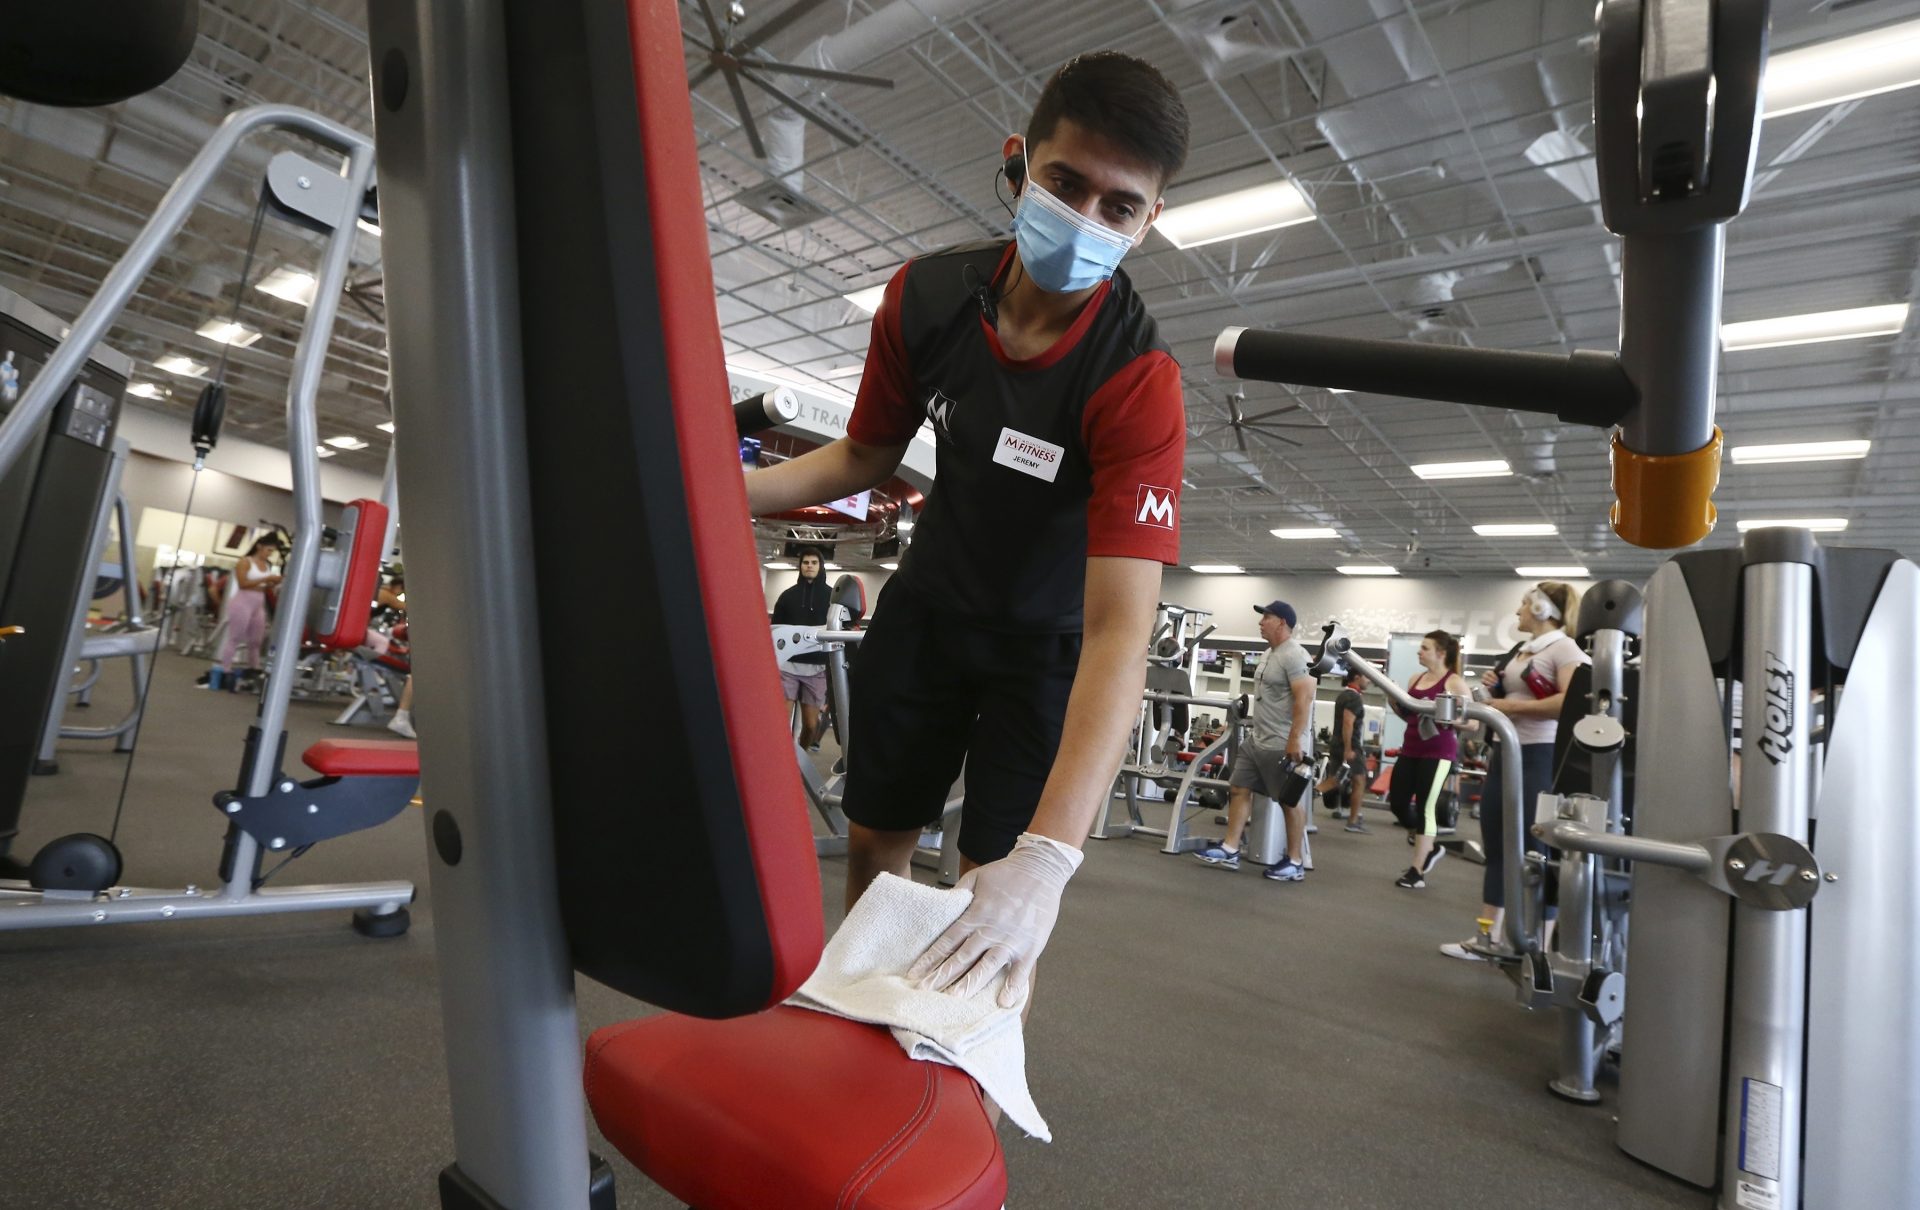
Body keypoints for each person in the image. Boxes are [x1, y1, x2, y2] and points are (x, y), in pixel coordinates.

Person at [743, 51, 1190, 1007]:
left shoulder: (1136, 381)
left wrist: (1051, 863)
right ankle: (852, 1029)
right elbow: (862, 458)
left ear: (1149, 221)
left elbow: (1122, 630)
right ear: (1020, 160)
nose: (1086, 219)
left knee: (993, 894)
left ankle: (960, 1092)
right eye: (1066, 183)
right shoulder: (927, 298)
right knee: (877, 853)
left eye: (1120, 205)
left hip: (1047, 650)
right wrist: (710, 491)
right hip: (930, 614)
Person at [1441, 582, 1589, 959]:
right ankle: (1488, 937)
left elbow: (1567, 704)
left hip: (1541, 754)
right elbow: (1506, 699)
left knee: (1536, 849)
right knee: (1498, 845)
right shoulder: (1520, 651)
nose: (1519, 611)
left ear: (1542, 609)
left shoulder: (1565, 648)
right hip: (1505, 751)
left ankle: (1537, 945)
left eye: (1525, 604)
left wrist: (1508, 706)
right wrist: (1494, 687)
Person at [1193, 600, 1315, 881]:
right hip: (1257, 740)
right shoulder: (1268, 654)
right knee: (1238, 788)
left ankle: (1295, 861)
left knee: (1289, 801)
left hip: (1281, 742)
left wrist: (1295, 739)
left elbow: (1304, 698)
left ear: (1282, 622)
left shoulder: (1295, 655)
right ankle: (1230, 848)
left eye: (1266, 618)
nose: (1261, 623)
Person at [1390, 630, 1469, 889]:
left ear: (1441, 653)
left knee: (1426, 807)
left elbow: (1474, 723)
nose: (1419, 652)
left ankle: (1417, 870)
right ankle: (1430, 846)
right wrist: (1394, 701)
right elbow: (1410, 716)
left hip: (1439, 752)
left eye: (1425, 648)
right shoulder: (1416, 678)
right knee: (1399, 804)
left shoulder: (1454, 682)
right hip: (1410, 749)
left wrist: (1447, 717)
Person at [770, 547, 833, 751]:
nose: (809, 566)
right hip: (788, 666)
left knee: (810, 725)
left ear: (820, 566)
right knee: (780, 723)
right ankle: (782, 758)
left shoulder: (831, 596)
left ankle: (801, 759)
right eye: (806, 562)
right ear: (800, 566)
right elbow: (775, 629)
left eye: (814, 563)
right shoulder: (788, 596)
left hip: (816, 669)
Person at [204, 537, 281, 692]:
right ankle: (225, 669)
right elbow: (243, 583)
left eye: (272, 551)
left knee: (256, 641)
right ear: (259, 546)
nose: (270, 554)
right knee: (235, 638)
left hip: (258, 604)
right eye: (268, 550)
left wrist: (273, 583)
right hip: (242, 603)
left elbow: (262, 585)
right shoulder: (245, 562)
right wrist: (267, 578)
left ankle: (254, 669)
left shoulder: (266, 565)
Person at [1318, 668, 1370, 832]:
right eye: (1366, 676)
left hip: (1338, 744)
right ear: (1357, 677)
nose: (1368, 680)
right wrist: (1349, 749)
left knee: (1334, 780)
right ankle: (1353, 821)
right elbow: (1348, 723)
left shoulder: (1343, 695)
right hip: (1350, 746)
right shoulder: (1353, 697)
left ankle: (1304, 796)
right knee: (1360, 780)